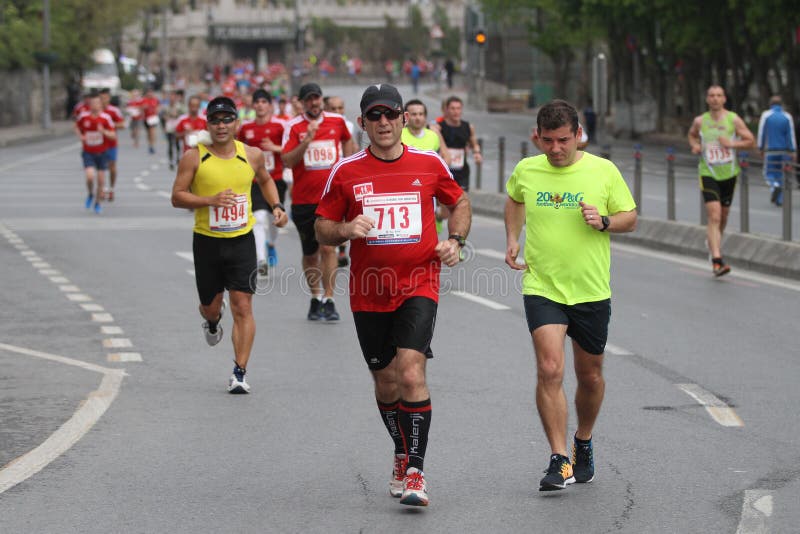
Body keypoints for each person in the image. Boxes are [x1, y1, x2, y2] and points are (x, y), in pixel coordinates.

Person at [315, 83, 471, 507]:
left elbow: (459, 202)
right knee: (385, 382)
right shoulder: (346, 171)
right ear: (362, 123)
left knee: (410, 373)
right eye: (374, 116)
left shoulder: (429, 162)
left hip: (419, 282)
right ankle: (401, 453)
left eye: (391, 115)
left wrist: (455, 240)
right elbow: (321, 226)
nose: (383, 123)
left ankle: (417, 472)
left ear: (404, 119)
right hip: (368, 291)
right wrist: (346, 229)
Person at [504, 100, 637, 492]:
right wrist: (513, 238)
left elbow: (630, 217)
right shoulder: (527, 169)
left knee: (590, 375)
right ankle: (559, 458)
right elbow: (514, 199)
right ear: (538, 136)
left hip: (591, 289)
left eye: (563, 140)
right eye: (547, 141)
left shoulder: (603, 170)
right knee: (549, 368)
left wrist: (605, 221)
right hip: (542, 285)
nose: (556, 149)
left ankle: (583, 440)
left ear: (578, 134)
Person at [170, 96, 288, 393]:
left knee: (243, 306)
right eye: (215, 120)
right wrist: (209, 200)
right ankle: (212, 322)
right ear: (207, 124)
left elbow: (265, 180)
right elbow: (177, 196)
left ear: (237, 123)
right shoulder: (194, 157)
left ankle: (240, 371)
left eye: (227, 120)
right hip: (207, 242)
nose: (221, 125)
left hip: (241, 240)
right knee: (210, 308)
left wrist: (276, 205)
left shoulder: (251, 154)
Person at [281, 82, 356, 321]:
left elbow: (349, 147)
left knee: (328, 247)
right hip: (304, 200)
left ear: (322, 99)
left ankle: (330, 299)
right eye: (309, 99)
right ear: (302, 103)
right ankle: (315, 297)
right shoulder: (293, 127)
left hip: (331, 198)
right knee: (311, 254)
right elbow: (287, 161)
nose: (314, 103)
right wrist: (307, 140)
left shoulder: (337, 121)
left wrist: (350, 170)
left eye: (317, 98)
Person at [687, 85, 755, 276]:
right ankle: (717, 260)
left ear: (724, 99)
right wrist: (695, 146)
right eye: (712, 95)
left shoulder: (733, 119)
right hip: (708, 172)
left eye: (719, 95)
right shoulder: (700, 121)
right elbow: (692, 136)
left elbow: (751, 141)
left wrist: (732, 144)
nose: (715, 99)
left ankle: (713, 242)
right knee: (714, 215)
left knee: (723, 217)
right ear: (707, 99)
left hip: (729, 173)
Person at [237, 88, 287, 276]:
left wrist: (274, 147)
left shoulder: (280, 127)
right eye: (257, 102)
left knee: (274, 218)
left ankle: (271, 243)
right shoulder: (246, 129)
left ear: (269, 105)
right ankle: (261, 259)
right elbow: (239, 151)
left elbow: (290, 150)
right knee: (258, 218)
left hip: (275, 179)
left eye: (263, 102)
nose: (260, 105)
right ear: (253, 105)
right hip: (254, 180)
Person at [323, 95, 356, 268]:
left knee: (344, 212)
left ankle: (342, 249)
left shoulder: (348, 125)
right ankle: (336, 245)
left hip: (341, 174)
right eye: (333, 109)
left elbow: (353, 147)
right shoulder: (322, 124)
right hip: (326, 174)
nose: (337, 112)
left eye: (340, 108)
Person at [74, 92, 116, 214]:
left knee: (101, 181)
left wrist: (104, 132)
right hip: (88, 152)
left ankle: (97, 203)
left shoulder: (105, 118)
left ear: (100, 104)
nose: (95, 105)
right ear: (90, 104)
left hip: (102, 152)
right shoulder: (84, 116)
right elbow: (76, 126)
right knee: (90, 176)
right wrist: (81, 136)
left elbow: (113, 135)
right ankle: (90, 194)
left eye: (97, 103)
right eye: (92, 103)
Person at [433, 96, 482, 191]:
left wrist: (477, 153)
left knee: (462, 200)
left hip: (462, 170)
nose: (456, 111)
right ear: (447, 110)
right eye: (453, 108)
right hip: (444, 170)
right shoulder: (439, 128)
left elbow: (474, 144)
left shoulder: (468, 127)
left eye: (458, 108)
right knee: (446, 202)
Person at [757, 95, 797, 206]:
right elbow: (791, 135)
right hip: (784, 151)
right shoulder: (787, 117)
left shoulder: (766, 115)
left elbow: (762, 133)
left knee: (768, 173)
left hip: (771, 151)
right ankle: (780, 199)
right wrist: (793, 151)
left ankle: (774, 187)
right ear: (781, 104)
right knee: (781, 174)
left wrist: (760, 148)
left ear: (770, 104)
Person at [99, 88, 125, 201]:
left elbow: (122, 125)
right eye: (101, 98)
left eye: (105, 98)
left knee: (112, 167)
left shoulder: (114, 111)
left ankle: (111, 188)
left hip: (111, 143)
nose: (103, 100)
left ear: (109, 98)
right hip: (99, 144)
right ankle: (103, 189)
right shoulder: (96, 111)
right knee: (101, 167)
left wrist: (110, 124)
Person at [163, 89, 187, 170]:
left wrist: (177, 115)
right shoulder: (166, 106)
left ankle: (178, 158)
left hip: (177, 126)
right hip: (169, 126)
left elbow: (184, 114)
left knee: (177, 143)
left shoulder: (179, 106)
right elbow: (162, 116)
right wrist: (166, 118)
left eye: (173, 97)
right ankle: (171, 160)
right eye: (170, 97)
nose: (172, 98)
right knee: (170, 144)